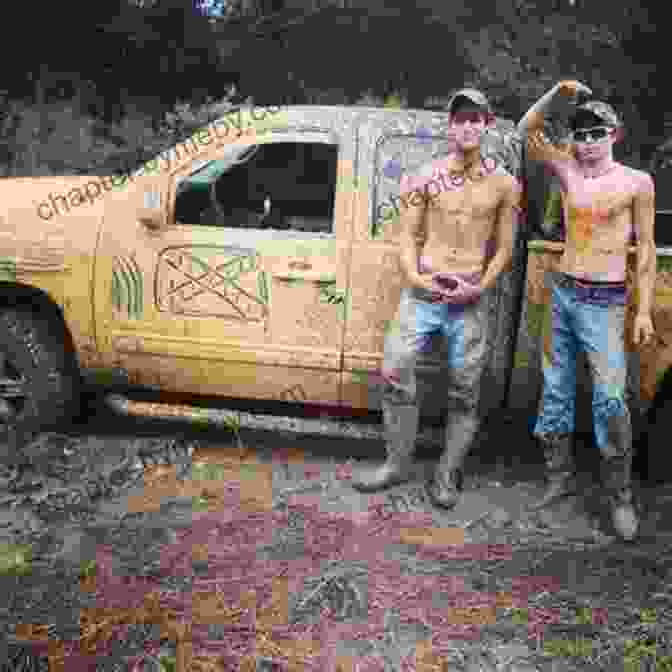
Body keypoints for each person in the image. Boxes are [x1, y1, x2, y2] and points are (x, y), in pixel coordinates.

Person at [351, 89, 520, 510]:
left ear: (487, 125)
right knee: (394, 371)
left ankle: (446, 476)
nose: (467, 126)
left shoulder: (504, 183)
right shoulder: (424, 176)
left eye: (476, 119)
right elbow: (407, 236)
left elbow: (504, 249)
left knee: (465, 390)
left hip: (469, 300)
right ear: (450, 125)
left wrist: (480, 287)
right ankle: (395, 464)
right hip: (422, 293)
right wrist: (414, 277)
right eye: (460, 118)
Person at [517, 80, 656, 541]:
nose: (588, 142)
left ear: (616, 134)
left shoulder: (637, 183)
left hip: (608, 300)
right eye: (581, 133)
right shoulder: (566, 168)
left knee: (610, 398)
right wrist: (557, 94)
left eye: (598, 133)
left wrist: (642, 311)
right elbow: (525, 129)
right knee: (554, 392)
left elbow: (648, 249)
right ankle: (558, 482)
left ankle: (619, 496)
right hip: (564, 295)